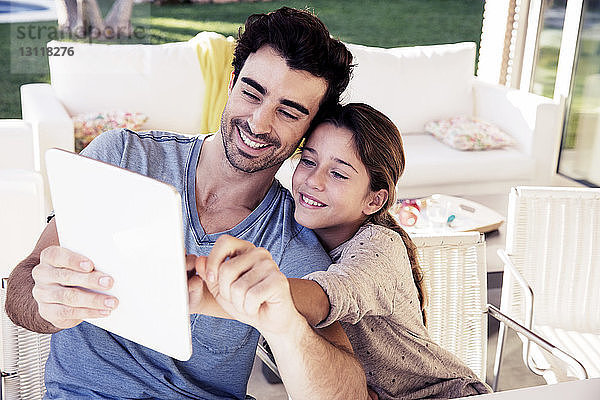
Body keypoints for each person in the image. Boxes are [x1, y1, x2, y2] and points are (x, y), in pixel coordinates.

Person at [5, 8, 372, 400]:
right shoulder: (122, 157)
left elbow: (348, 393)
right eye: (252, 92)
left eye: (289, 111)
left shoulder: (294, 243)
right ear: (231, 83)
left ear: (309, 129)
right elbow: (21, 288)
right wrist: (47, 303)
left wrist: (285, 324)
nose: (260, 123)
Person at [198, 103, 493, 399]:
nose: (314, 181)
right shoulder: (287, 228)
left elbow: (328, 296)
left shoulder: (380, 247)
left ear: (374, 201)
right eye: (309, 161)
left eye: (338, 174)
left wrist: (199, 291)